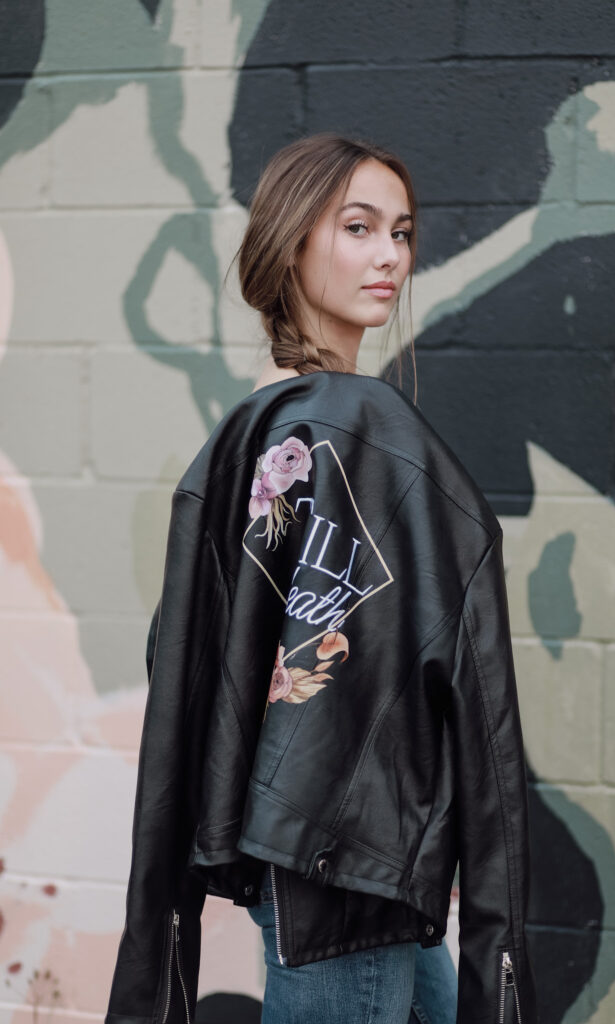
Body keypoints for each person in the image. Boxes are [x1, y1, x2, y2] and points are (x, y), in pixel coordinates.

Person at [105, 133, 538, 1024]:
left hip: (305, 854)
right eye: (357, 227)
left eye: (402, 231)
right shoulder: (354, 419)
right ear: (292, 242)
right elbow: (449, 654)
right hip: (347, 865)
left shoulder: (250, 431)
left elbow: (181, 650)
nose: (389, 255)